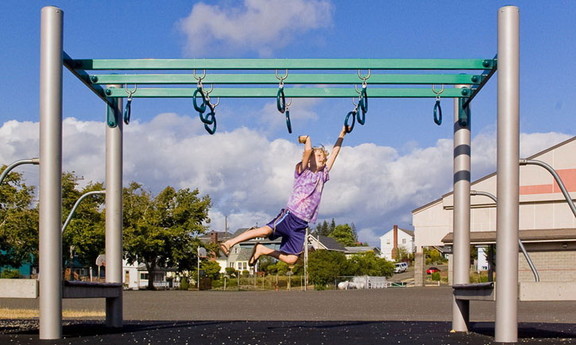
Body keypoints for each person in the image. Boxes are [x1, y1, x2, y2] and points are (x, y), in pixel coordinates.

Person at [219, 126, 348, 266]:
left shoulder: (323, 175)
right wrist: (307, 139)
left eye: (322, 157)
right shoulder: (302, 170)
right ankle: (229, 242)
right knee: (264, 232)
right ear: (309, 159)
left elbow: (335, 152)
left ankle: (262, 250)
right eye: (317, 156)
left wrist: (342, 133)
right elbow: (308, 151)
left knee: (292, 259)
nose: (321, 159)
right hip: (291, 215)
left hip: (302, 224)